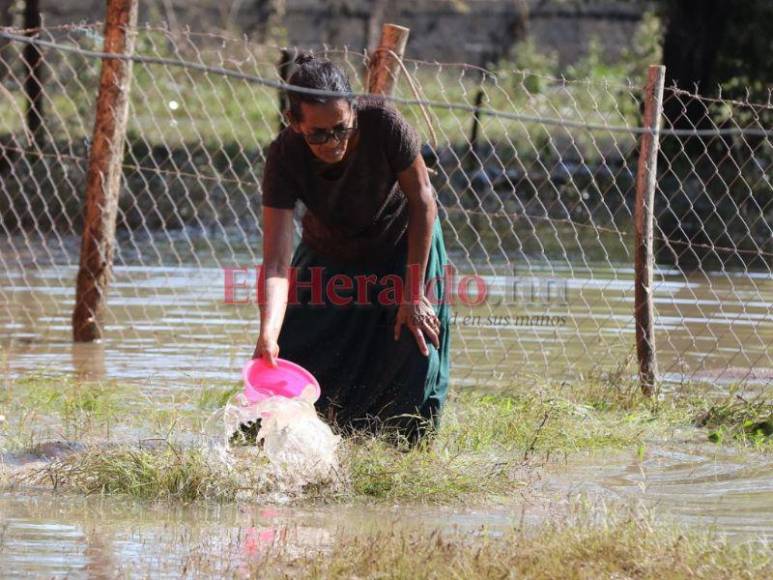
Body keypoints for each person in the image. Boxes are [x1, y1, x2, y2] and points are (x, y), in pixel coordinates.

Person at [253, 53, 450, 446]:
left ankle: (401, 449)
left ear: (354, 112)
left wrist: (412, 295)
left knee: (412, 343)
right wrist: (268, 333)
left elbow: (424, 201)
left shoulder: (384, 125)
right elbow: (276, 262)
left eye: (341, 130)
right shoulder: (284, 156)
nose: (333, 143)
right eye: (318, 134)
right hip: (331, 249)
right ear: (295, 124)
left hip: (403, 243)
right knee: (290, 355)